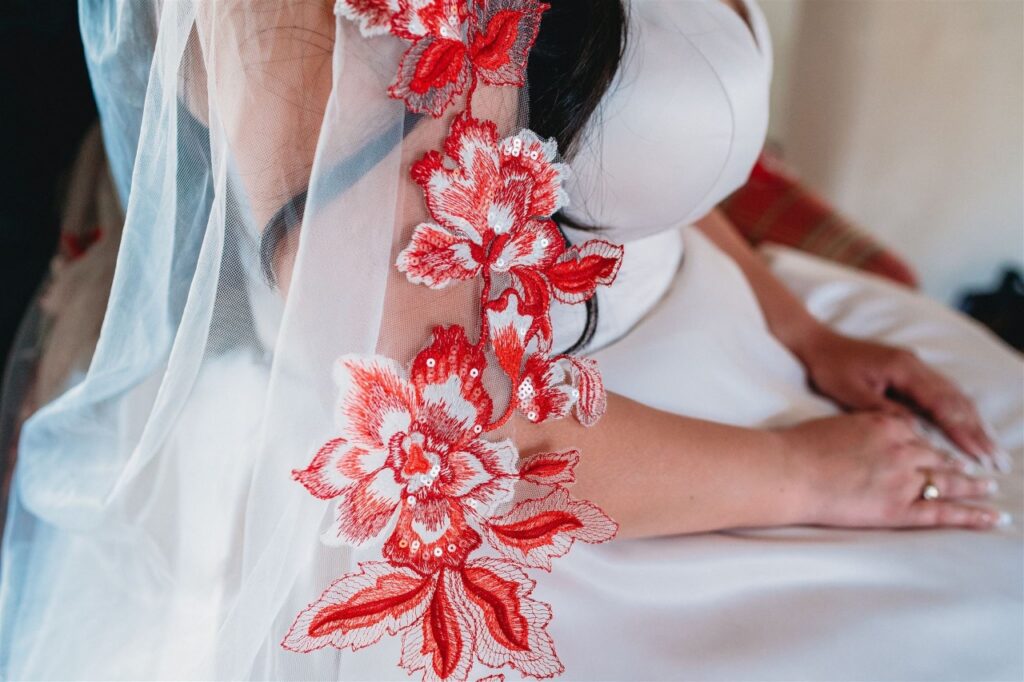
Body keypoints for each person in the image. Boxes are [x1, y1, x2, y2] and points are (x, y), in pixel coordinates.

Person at [0, 0, 1019, 680]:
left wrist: (797, 323)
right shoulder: (294, 29)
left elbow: (617, 127)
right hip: (567, 458)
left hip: (732, 323)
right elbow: (460, 440)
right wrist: (809, 476)